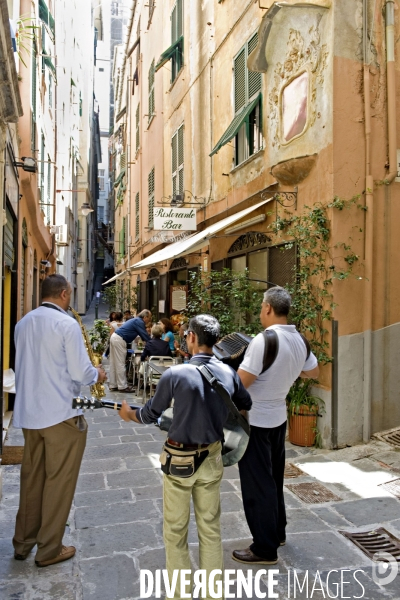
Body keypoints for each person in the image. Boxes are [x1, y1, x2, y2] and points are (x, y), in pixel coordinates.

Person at [119, 314, 252, 599]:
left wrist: (129, 415)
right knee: (210, 529)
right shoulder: (228, 373)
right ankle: (212, 594)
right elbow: (244, 404)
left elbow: (150, 414)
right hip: (213, 457)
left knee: (176, 532)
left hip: (180, 460)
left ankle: (179, 594)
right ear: (216, 341)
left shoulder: (175, 374)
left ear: (191, 337)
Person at [12, 274, 107, 567]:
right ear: (65, 294)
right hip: (61, 413)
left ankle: (23, 542)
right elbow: (81, 374)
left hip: (30, 414)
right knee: (59, 481)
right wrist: (98, 374)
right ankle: (49, 548)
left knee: (32, 479)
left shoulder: (23, 323)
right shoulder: (66, 324)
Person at [232, 286, 319, 566]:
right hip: (278, 420)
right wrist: (287, 372)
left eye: (261, 307)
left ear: (268, 307)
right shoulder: (299, 340)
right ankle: (277, 532)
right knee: (274, 480)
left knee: (258, 486)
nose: (260, 312)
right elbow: (313, 371)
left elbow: (239, 385)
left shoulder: (264, 340)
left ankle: (265, 548)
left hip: (256, 421)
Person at [108, 309, 152, 392]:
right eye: (149, 318)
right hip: (119, 339)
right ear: (145, 317)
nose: (149, 320)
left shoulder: (136, 320)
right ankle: (122, 386)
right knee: (120, 363)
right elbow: (144, 336)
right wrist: (153, 343)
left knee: (114, 362)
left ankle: (113, 384)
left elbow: (142, 336)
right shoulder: (139, 322)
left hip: (115, 337)